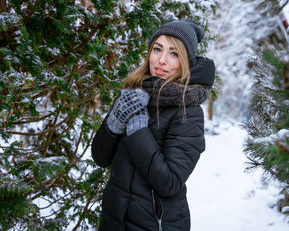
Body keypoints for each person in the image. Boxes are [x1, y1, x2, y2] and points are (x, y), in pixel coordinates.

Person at [91, 19, 215, 231]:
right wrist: (114, 122)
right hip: (114, 221)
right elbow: (100, 157)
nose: (162, 60)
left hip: (157, 225)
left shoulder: (189, 112)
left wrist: (137, 130)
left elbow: (169, 182)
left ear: (185, 62)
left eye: (174, 53)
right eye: (157, 49)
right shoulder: (133, 94)